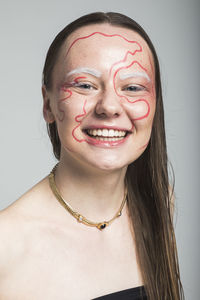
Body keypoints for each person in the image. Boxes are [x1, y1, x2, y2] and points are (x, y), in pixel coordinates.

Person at [0, 12, 184, 300]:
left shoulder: (160, 203)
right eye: (85, 85)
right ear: (48, 105)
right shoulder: (6, 245)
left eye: (133, 88)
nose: (109, 107)